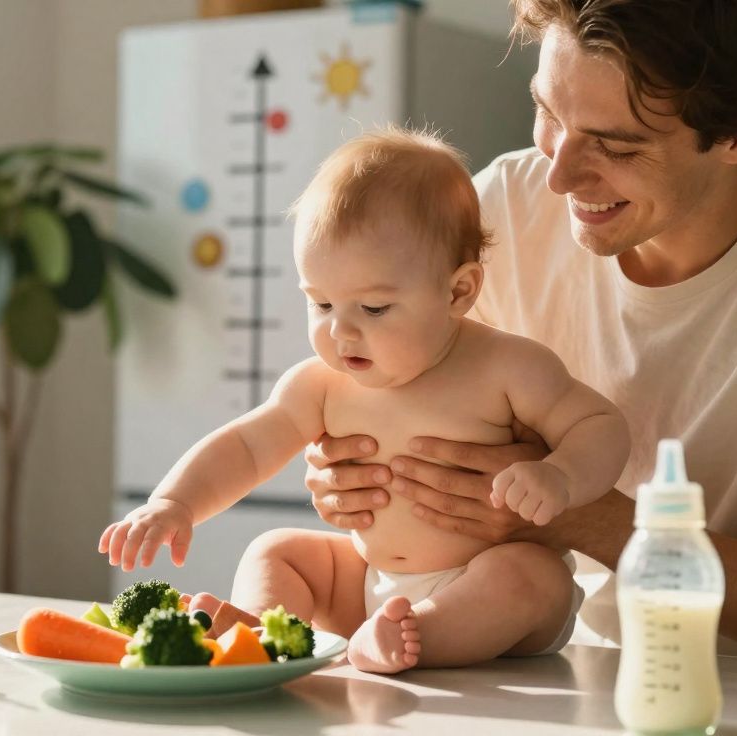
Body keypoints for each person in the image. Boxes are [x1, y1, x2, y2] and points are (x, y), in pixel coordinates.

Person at [289, 0, 737, 650]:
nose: (559, 175)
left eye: (616, 145)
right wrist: (354, 467)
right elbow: (388, 394)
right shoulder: (504, 206)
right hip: (526, 672)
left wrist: (580, 515)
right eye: (548, 113)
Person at [100, 128, 630, 673]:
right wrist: (174, 503)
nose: (341, 333)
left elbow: (598, 423)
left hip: (488, 583)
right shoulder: (321, 383)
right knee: (277, 549)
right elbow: (246, 446)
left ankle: (421, 634)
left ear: (459, 292)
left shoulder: (508, 366)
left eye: (374, 309)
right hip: (367, 579)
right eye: (322, 303)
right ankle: (261, 633)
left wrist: (561, 476)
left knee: (529, 577)